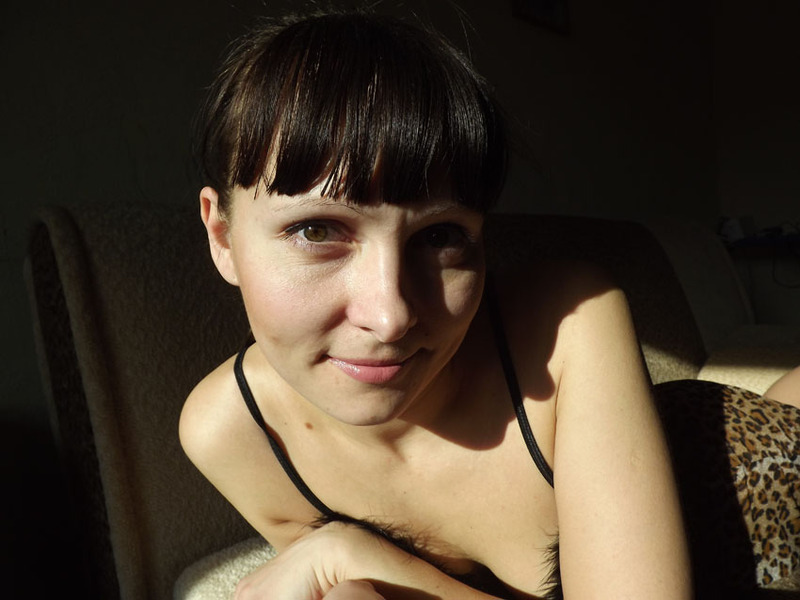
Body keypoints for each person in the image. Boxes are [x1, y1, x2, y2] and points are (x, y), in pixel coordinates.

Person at [179, 9, 799, 599]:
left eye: (440, 236)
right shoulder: (233, 436)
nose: (391, 316)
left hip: (756, 460)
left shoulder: (573, 314)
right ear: (222, 237)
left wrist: (352, 554)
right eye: (316, 230)